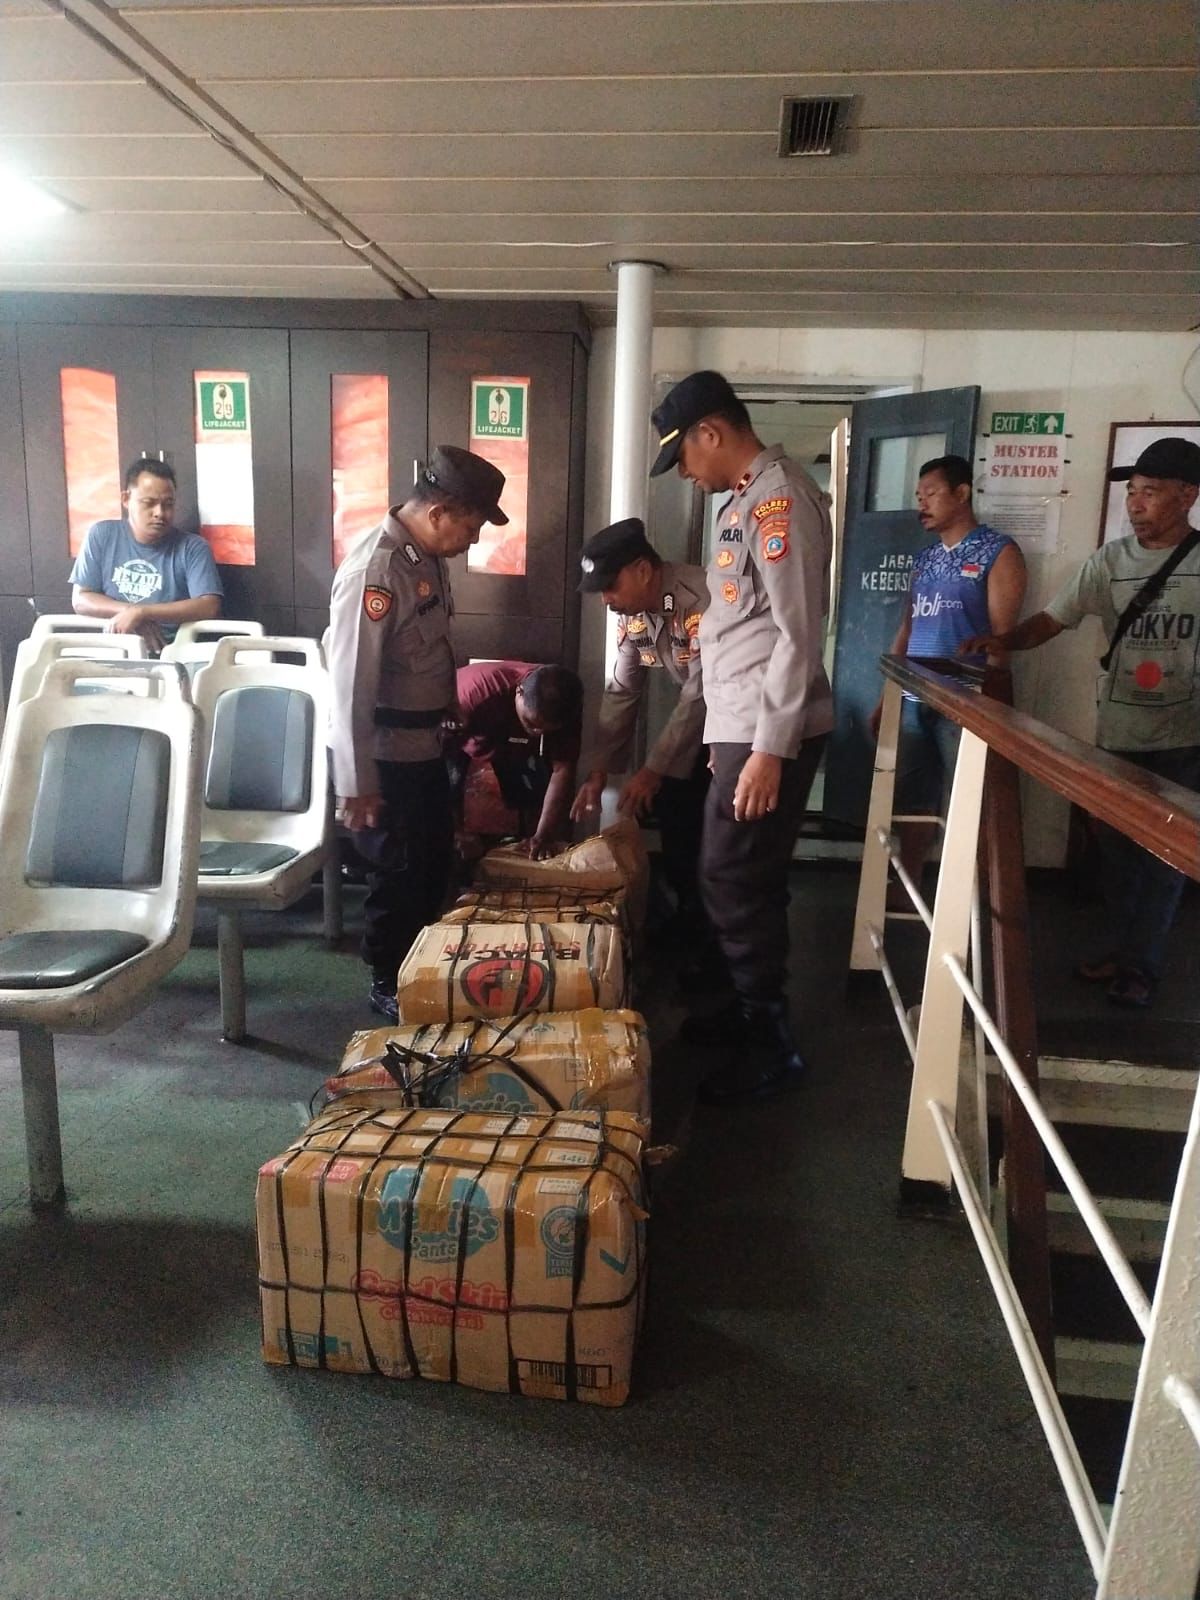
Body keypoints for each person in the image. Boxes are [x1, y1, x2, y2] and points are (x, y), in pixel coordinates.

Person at [961, 436, 1200, 1009]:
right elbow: (1053, 619)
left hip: (1186, 736)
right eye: (1132, 492)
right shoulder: (1110, 562)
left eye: (1150, 492)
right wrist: (1003, 641)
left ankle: (1140, 966)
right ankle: (1124, 950)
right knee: (1116, 854)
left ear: (1188, 496)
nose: (1136, 504)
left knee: (1165, 858)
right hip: (1118, 732)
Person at [649, 369, 834, 1104]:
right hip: (741, 724)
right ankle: (740, 1006)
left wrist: (767, 749)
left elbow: (797, 633)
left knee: (732, 876)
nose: (685, 474)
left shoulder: (779, 500)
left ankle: (770, 1040)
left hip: (767, 727)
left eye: (684, 457)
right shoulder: (742, 500)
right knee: (734, 874)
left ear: (712, 432)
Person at [326, 445, 507, 1021]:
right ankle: (387, 977)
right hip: (386, 758)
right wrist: (356, 783)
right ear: (438, 512)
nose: (472, 540)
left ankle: (420, 966)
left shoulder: (425, 558)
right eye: (471, 527)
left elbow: (431, 650)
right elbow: (348, 687)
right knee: (397, 874)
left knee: (430, 864)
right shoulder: (376, 572)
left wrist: (447, 704)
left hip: (426, 749)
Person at [869, 454, 1026, 892]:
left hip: (966, 700)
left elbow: (1002, 641)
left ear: (962, 494)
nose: (922, 503)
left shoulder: (998, 552)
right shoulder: (925, 559)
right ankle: (909, 883)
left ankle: (969, 899)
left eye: (931, 494)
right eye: (918, 495)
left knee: (969, 800)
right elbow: (907, 628)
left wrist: (989, 707)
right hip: (915, 697)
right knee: (912, 799)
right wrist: (887, 696)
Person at [570, 516, 712, 946]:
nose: (605, 600)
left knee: (716, 841)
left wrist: (652, 770)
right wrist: (598, 771)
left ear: (643, 570)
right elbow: (622, 691)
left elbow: (701, 693)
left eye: (610, 587)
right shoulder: (632, 614)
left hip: (749, 727)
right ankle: (689, 922)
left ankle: (711, 942)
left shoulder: (700, 599)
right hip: (706, 726)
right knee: (674, 813)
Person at [70, 456, 223, 650]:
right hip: (114, 648)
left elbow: (208, 605)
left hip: (171, 650)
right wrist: (130, 613)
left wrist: (143, 612)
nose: (159, 512)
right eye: (149, 503)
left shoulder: (192, 547)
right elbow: (81, 599)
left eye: (168, 504)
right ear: (126, 499)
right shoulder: (101, 534)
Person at [448, 659, 583, 858]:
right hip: (460, 734)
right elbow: (438, 759)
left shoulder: (566, 705)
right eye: (531, 723)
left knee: (533, 794)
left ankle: (525, 841)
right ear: (519, 692)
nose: (537, 732)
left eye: (545, 730)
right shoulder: (474, 694)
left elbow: (562, 769)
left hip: (511, 743)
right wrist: (455, 830)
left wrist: (543, 835)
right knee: (451, 784)